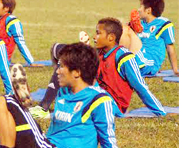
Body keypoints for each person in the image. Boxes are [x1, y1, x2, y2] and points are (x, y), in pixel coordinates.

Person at [0, 44, 144, 148]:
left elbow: (107, 138)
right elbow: (63, 134)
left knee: (5, 101)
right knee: (10, 108)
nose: (57, 71)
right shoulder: (64, 93)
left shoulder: (99, 100)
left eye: (62, 67)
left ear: (77, 72)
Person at [30, 18, 165, 118]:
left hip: (110, 104)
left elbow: (140, 86)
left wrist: (161, 112)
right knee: (66, 64)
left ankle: (47, 109)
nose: (95, 37)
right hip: (97, 95)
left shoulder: (124, 57)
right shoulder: (99, 53)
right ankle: (46, 108)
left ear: (111, 37)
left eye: (98, 33)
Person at [134, 0, 177, 76]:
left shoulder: (163, 24)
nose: (138, 10)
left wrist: (175, 69)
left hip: (149, 63)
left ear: (148, 10)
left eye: (141, 6)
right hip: (138, 57)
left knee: (127, 33)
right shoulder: (140, 24)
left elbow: (170, 47)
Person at [0, 0, 35, 65]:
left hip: (0, 60)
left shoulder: (12, 21)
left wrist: (31, 62)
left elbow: (20, 42)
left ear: (6, 8)